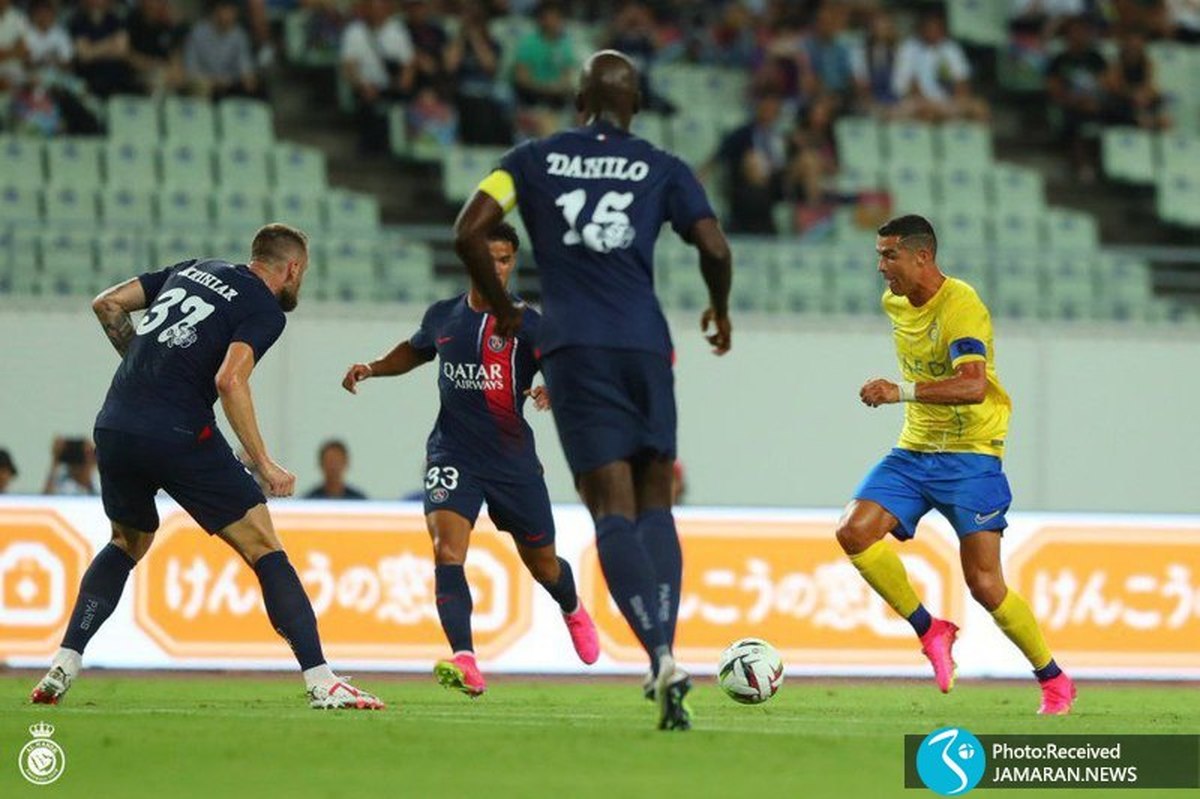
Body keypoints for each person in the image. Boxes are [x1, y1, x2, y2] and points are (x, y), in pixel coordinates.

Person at [452, 51, 733, 730]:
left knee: (610, 505)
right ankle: (668, 650)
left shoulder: (529, 160)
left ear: (579, 102)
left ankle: (659, 656)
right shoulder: (663, 165)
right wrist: (719, 310)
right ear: (635, 104)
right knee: (656, 498)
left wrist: (503, 305)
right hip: (645, 344)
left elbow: (469, 231)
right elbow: (715, 247)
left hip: (575, 346)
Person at [30, 224, 383, 711]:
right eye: (302, 273)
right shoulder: (263, 308)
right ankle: (322, 680)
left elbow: (107, 304)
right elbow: (230, 380)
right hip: (178, 431)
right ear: (292, 268)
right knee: (264, 547)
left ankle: (65, 661)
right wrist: (265, 463)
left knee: (127, 542)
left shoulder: (192, 269)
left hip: (115, 424)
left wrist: (153, 370)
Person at [342, 222, 600, 697]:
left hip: (511, 462)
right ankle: (466, 658)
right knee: (447, 551)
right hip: (452, 452)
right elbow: (415, 350)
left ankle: (571, 607)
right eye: (489, 259)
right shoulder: (444, 316)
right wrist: (373, 368)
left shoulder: (529, 324)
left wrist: (551, 388)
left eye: (505, 260)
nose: (497, 268)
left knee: (544, 565)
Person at [837, 214, 1076, 716]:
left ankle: (1053, 679)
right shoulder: (894, 303)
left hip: (971, 456)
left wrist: (898, 391)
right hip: (914, 451)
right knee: (854, 532)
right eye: (879, 256)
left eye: (890, 256)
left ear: (922, 256)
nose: (881, 267)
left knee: (985, 584)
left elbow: (972, 386)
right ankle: (931, 630)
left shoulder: (961, 305)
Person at [892, 12, 989, 122]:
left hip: (948, 102)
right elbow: (906, 85)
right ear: (921, 29)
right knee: (924, 112)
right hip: (919, 101)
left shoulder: (951, 48)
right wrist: (927, 102)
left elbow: (962, 82)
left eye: (936, 29)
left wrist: (955, 103)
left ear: (942, 30)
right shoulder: (908, 48)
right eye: (929, 28)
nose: (932, 32)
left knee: (979, 107)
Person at [183, 0, 260, 99]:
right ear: (216, 11)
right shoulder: (198, 33)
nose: (231, 16)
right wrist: (211, 81)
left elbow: (245, 66)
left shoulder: (239, 35)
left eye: (233, 11)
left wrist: (248, 77)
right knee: (199, 86)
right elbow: (190, 68)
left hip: (230, 87)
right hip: (204, 85)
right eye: (227, 11)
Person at [68, 0, 138, 98]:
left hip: (118, 78)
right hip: (90, 79)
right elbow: (85, 55)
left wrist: (93, 48)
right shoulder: (79, 22)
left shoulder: (117, 20)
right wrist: (110, 43)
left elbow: (122, 51)